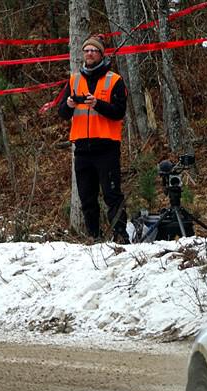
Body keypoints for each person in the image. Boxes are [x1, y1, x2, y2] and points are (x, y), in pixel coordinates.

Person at [58, 36, 129, 244]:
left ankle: (120, 235)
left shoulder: (114, 80)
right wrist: (69, 105)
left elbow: (119, 112)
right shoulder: (74, 80)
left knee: (112, 194)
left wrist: (97, 103)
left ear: (101, 54)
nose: (89, 54)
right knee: (87, 198)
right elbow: (61, 112)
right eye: (86, 50)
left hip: (106, 147)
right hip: (82, 149)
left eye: (93, 51)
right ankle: (94, 237)